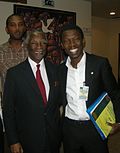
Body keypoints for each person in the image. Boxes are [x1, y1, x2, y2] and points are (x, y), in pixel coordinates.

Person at [59, 23, 120, 153]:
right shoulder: (60, 70)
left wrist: (118, 120)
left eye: (76, 39)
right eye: (67, 41)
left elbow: (115, 93)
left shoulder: (99, 64)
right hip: (70, 129)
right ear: (62, 45)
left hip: (95, 126)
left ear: (83, 41)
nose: (72, 44)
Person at [3, 30, 62, 153]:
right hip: (27, 140)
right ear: (27, 45)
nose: (39, 47)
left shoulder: (56, 70)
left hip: (53, 139)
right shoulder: (14, 74)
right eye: (34, 43)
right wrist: (13, 140)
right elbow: (8, 110)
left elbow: (59, 102)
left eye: (43, 43)